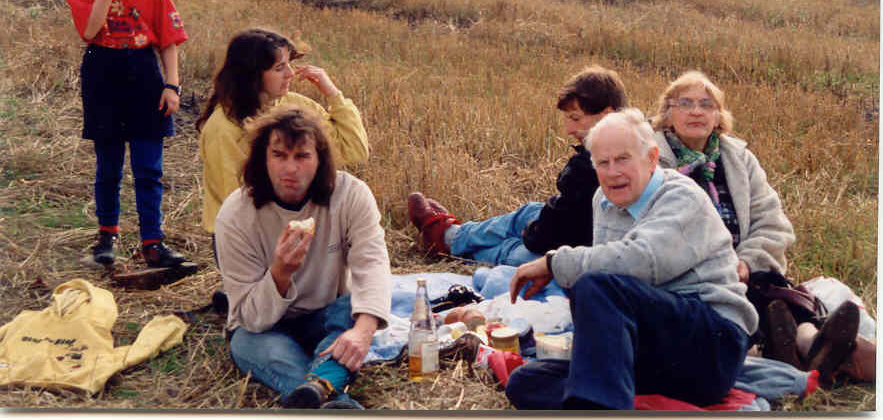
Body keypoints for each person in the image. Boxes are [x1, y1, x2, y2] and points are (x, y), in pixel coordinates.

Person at [504, 108, 757, 410]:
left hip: (710, 347)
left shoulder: (681, 197)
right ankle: (620, 400)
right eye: (603, 163)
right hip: (653, 351)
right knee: (525, 381)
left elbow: (640, 262)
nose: (613, 172)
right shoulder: (603, 200)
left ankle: (600, 409)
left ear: (651, 158)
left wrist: (552, 263)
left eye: (623, 159)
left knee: (596, 286)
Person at [650, 70, 873, 385]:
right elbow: (654, 230)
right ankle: (810, 351)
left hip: (747, 271)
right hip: (692, 276)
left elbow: (772, 222)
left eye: (706, 104)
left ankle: (806, 344)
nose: (696, 111)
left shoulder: (739, 159)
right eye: (684, 103)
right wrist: (719, 267)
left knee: (773, 289)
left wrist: (747, 261)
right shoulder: (651, 162)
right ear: (667, 115)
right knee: (740, 301)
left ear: (718, 117)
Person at [214, 106, 391, 409]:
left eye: (302, 156)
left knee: (357, 310)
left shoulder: (350, 195)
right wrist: (280, 274)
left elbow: (372, 265)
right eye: (280, 156)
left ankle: (315, 390)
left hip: (327, 316)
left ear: (320, 160)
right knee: (244, 342)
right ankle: (326, 395)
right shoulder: (235, 214)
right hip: (268, 329)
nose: (290, 169)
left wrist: (362, 332)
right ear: (263, 159)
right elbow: (248, 316)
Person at [408, 65, 627, 266]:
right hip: (577, 237)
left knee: (514, 249)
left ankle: (452, 244)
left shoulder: (595, 167)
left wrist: (529, 234)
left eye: (576, 118)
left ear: (606, 115)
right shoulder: (627, 147)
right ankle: (453, 235)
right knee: (530, 211)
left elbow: (552, 237)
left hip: (580, 258)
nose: (568, 129)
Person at [65, 0, 188, 268]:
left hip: (143, 73)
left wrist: (171, 85)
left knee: (149, 167)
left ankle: (153, 242)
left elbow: (168, 41)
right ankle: (107, 237)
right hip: (103, 72)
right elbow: (89, 31)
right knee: (109, 165)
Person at [196, 28, 369, 241]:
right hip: (245, 239)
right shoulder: (223, 129)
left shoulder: (297, 105)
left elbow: (354, 152)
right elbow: (237, 205)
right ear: (252, 76)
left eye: (289, 64)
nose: (291, 73)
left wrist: (334, 95)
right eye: (280, 68)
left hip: (299, 229)